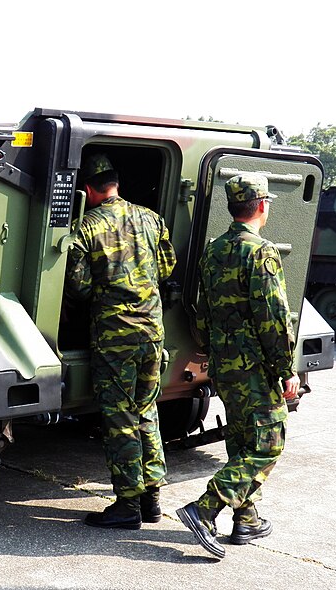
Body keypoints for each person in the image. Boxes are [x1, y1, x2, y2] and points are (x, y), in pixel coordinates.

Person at [177, 173, 300, 559]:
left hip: (224, 364)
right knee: (268, 444)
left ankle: (246, 518)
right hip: (256, 367)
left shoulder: (214, 251)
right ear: (262, 205)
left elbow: (201, 312)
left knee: (244, 440)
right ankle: (205, 508)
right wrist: (286, 368)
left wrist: (212, 351)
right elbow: (274, 318)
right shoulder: (260, 252)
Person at [64, 153, 176, 530]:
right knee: (146, 412)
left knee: (119, 418)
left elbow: (77, 288)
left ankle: (127, 504)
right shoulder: (151, 218)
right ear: (115, 182)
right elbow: (166, 267)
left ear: (88, 188)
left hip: (115, 338)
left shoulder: (86, 227)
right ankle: (152, 499)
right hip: (152, 331)